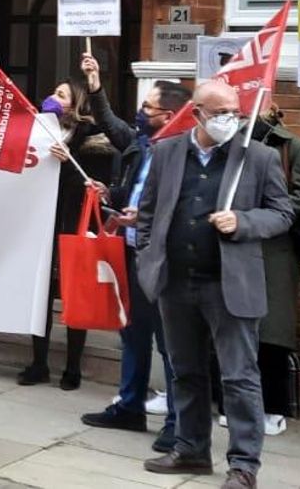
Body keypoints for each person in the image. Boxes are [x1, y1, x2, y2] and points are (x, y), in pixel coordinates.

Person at [135, 80, 293, 487]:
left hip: (230, 282)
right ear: (197, 112)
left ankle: (243, 466)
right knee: (185, 370)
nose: (230, 120)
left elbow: (282, 212)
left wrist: (244, 222)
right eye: (221, 112)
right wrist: (148, 258)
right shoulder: (167, 151)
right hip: (176, 281)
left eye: (236, 113)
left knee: (239, 377)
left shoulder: (257, 157)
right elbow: (149, 211)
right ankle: (191, 449)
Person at [81, 78, 193, 454]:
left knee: (171, 343)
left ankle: (178, 424)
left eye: (147, 109)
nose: (140, 114)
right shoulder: (143, 147)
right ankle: (130, 407)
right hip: (131, 252)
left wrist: (141, 219)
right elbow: (137, 193)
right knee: (132, 333)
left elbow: (183, 208)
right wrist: (111, 195)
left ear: (168, 115)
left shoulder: (186, 153)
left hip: (163, 260)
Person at [25, 57, 133, 390]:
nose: (52, 99)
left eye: (61, 95)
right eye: (52, 93)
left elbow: (92, 184)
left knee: (75, 291)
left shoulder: (91, 135)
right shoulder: (40, 129)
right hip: (43, 221)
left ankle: (72, 367)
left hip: (74, 221)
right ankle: (38, 362)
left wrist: (66, 163)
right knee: (40, 294)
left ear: (76, 103)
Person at [243, 105, 300, 436]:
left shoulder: (292, 145)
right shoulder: (234, 142)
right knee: (237, 328)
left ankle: (274, 406)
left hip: (277, 247)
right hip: (239, 240)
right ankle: (234, 403)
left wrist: (268, 217)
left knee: (272, 330)